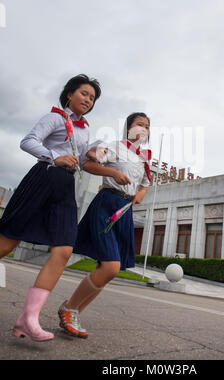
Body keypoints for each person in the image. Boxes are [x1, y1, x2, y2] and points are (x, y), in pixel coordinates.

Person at [0, 74, 130, 342]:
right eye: (84, 93)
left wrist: (93, 157)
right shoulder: (55, 118)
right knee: (7, 243)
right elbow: (28, 141)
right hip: (43, 178)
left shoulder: (84, 130)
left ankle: (27, 320)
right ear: (70, 94)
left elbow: (81, 161)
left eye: (92, 98)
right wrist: (54, 156)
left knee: (63, 249)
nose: (88, 100)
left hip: (65, 188)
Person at [58, 112, 151, 338]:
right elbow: (88, 162)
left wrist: (139, 195)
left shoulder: (143, 158)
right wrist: (112, 172)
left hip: (125, 210)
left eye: (147, 127)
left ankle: (73, 311)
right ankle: (69, 309)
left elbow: (146, 183)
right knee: (110, 266)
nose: (143, 129)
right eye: (139, 124)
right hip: (108, 203)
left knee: (111, 270)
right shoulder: (115, 147)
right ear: (128, 128)